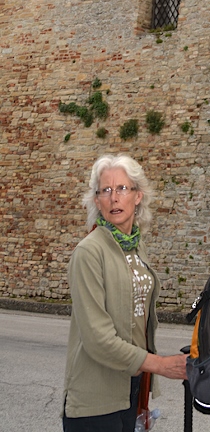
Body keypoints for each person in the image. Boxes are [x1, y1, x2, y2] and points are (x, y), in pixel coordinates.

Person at [63, 154, 187, 431]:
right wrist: (159, 365)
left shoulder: (135, 247)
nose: (114, 198)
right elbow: (97, 338)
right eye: (105, 190)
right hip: (96, 401)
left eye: (122, 188)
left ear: (138, 196)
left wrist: (142, 391)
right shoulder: (88, 253)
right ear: (97, 201)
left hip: (131, 389)